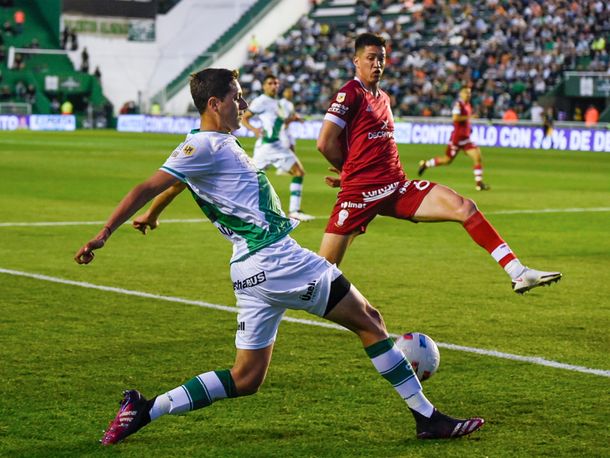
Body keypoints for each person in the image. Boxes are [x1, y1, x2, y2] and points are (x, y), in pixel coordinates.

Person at [74, 68, 484, 445]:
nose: (244, 104)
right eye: (236, 97)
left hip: (249, 270)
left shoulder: (213, 146)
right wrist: (104, 233)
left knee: (246, 377)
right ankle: (427, 417)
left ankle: (145, 409)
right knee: (370, 321)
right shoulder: (202, 145)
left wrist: (154, 213)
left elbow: (176, 185)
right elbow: (146, 185)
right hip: (277, 259)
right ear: (214, 104)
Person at [317, 33, 561, 294]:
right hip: (360, 193)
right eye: (371, 58)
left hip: (397, 187)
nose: (377, 64)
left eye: (382, 58)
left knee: (465, 207)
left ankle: (518, 272)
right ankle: (272, 306)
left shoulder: (384, 97)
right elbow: (325, 142)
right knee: (320, 276)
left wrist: (352, 170)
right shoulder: (350, 94)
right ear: (356, 61)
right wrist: (350, 172)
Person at [242, 74, 314, 221]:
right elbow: (244, 117)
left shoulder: (277, 103)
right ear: (264, 86)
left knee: (298, 172)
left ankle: (294, 211)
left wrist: (293, 119)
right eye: (270, 83)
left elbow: (280, 122)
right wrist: (254, 129)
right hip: (266, 146)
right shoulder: (261, 101)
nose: (274, 86)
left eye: (276, 83)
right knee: (252, 179)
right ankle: (240, 208)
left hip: (277, 145)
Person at [417, 86, 490, 191]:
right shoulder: (458, 105)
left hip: (466, 139)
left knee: (477, 157)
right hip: (456, 139)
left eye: (469, 93)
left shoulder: (468, 105)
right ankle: (426, 164)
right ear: (461, 94)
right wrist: (469, 117)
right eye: (466, 93)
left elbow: (465, 122)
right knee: (447, 160)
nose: (468, 95)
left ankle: (479, 184)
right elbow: (455, 118)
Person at [278, 86, 303, 153]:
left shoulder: (290, 104)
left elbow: (293, 115)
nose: (290, 94)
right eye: (288, 92)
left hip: (287, 128)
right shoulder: (282, 103)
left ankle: (292, 162)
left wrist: (299, 119)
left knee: (292, 146)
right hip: (282, 128)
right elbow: (284, 119)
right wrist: (295, 118)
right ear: (284, 93)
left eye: (291, 92)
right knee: (285, 149)